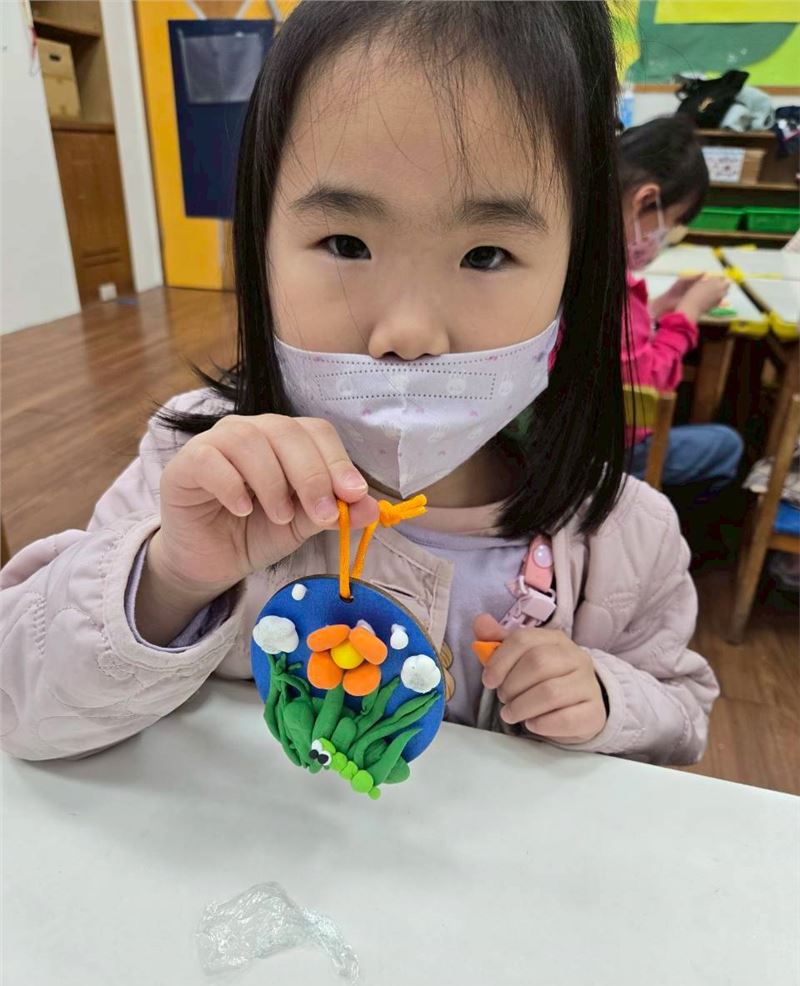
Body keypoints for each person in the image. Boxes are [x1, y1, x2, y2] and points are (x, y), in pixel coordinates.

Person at [0, 1, 717, 765]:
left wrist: (608, 697)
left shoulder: (625, 536)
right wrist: (168, 577)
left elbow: (682, 717)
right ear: (260, 243)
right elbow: (23, 706)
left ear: (578, 271)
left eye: (486, 255)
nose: (406, 332)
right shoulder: (193, 470)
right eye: (345, 242)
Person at [618, 116, 743, 495]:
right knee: (727, 444)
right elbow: (646, 394)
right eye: (669, 224)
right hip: (608, 450)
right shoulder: (613, 287)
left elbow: (615, 342)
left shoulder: (579, 260)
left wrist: (659, 307)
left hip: (566, 435)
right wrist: (687, 314)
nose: (663, 237)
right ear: (646, 200)